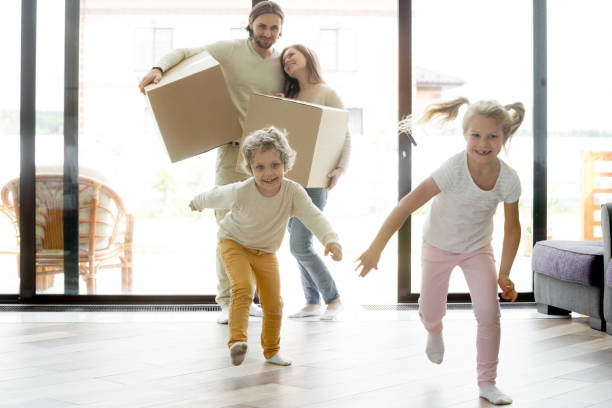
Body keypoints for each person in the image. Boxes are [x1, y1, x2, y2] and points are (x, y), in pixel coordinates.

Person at [355, 97, 523, 405]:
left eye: (492, 136)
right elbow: (406, 205)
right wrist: (375, 248)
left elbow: (513, 228)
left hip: (477, 249)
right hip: (438, 245)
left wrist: (505, 273)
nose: (483, 143)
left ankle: (487, 382)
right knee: (431, 310)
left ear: (504, 138)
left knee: (489, 313)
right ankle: (434, 329)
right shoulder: (452, 170)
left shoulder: (509, 179)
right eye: (476, 135)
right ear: (464, 135)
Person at [138, 1, 286, 324]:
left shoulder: (282, 63)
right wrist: (159, 69)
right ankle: (229, 300)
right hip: (234, 153)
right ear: (250, 24)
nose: (268, 33)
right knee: (229, 227)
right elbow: (185, 52)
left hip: (269, 160)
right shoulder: (229, 50)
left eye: (274, 28)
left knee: (259, 230)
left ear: (280, 30)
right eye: (262, 26)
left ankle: (250, 298)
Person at [189, 126, 343, 366]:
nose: (268, 173)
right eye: (260, 167)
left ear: (285, 164)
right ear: (250, 169)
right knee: (242, 287)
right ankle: (237, 343)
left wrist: (330, 239)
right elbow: (216, 195)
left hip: (265, 252)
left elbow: (313, 216)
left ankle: (271, 351)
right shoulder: (243, 190)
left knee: (273, 302)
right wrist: (197, 202)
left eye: (275, 165)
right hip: (234, 243)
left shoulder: (292, 192)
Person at [279, 44, 351, 320]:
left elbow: (345, 134)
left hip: (316, 178)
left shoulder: (326, 92)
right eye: (284, 59)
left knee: (300, 244)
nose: (286, 61)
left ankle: (333, 300)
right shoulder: (291, 94)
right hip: (290, 179)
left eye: (291, 56)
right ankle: (312, 302)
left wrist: (340, 168)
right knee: (298, 243)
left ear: (307, 57)